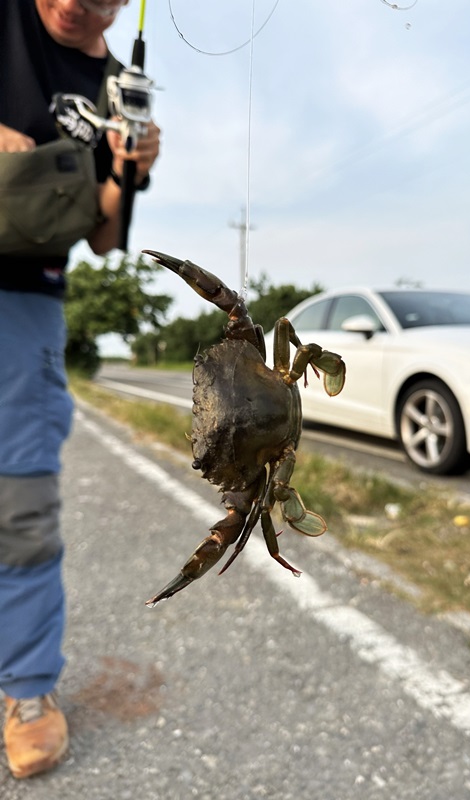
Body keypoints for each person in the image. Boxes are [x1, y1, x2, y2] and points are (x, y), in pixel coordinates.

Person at [0, 0, 161, 779]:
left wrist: (131, 171)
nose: (74, 6)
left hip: (26, 299)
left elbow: (103, 235)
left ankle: (27, 688)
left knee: (22, 503)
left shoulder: (115, 84)